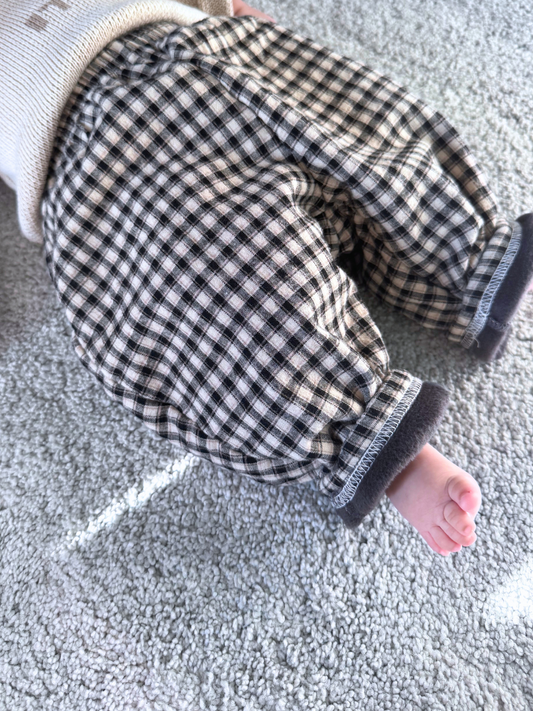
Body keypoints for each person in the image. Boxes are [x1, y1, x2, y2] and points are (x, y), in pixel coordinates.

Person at [1, 0, 532, 557]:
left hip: (193, 49)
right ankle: (379, 444)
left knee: (362, 140)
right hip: (102, 164)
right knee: (215, 295)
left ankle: (479, 261)